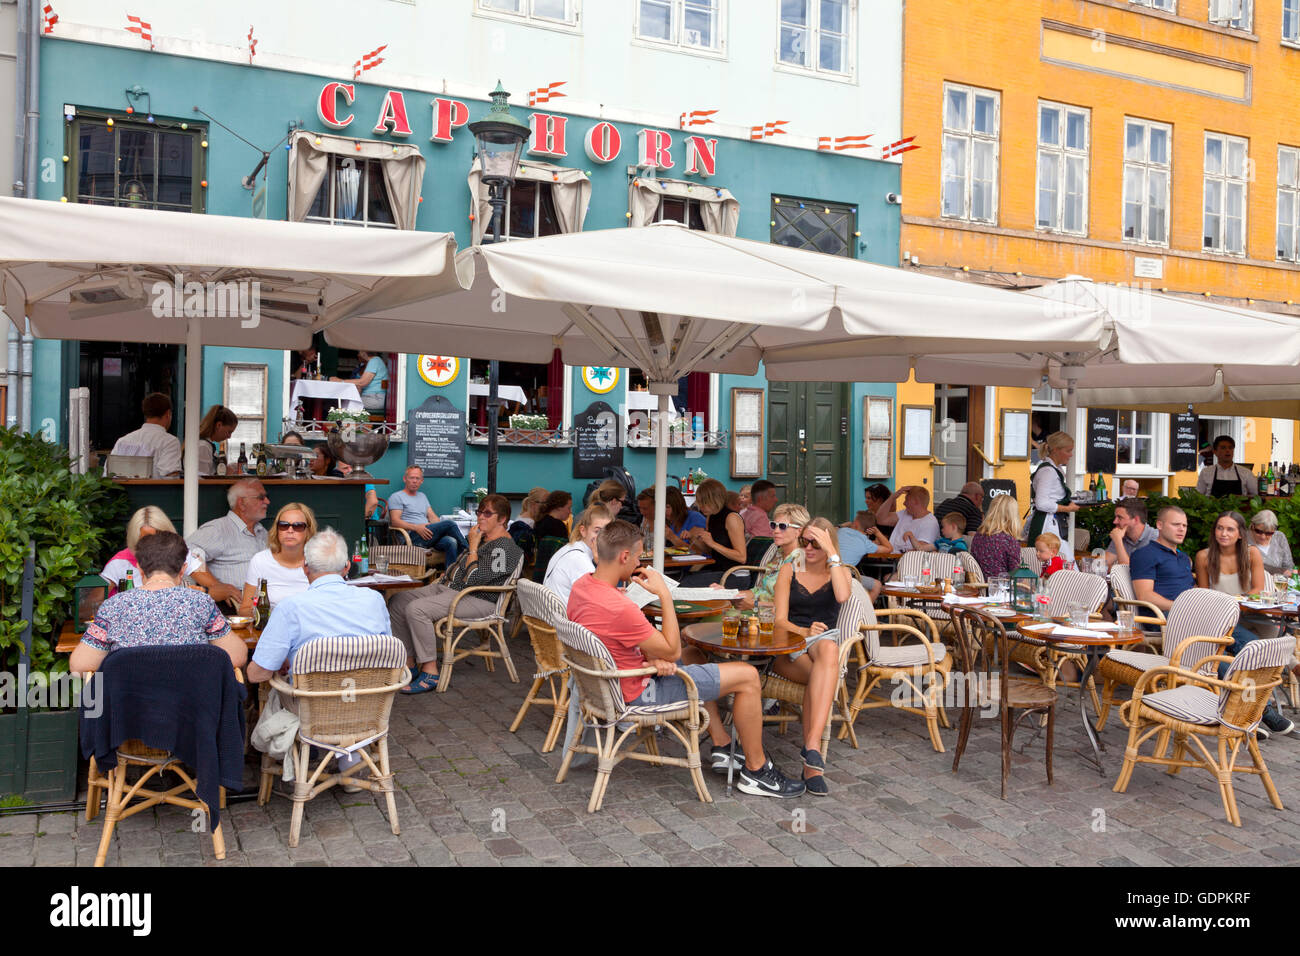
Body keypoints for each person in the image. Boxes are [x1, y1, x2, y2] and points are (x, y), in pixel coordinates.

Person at [568, 520, 804, 798]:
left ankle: (721, 744)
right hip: (637, 694)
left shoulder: (582, 587)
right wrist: (664, 595)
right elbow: (671, 650)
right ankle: (757, 771)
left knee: (694, 655)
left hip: (612, 683)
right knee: (748, 676)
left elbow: (638, 646)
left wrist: (652, 661)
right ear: (624, 557)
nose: (639, 563)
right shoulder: (619, 607)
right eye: (639, 556)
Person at [390, 494, 524, 693]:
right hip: (450, 588)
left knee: (416, 609)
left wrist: (471, 547)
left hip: (477, 598)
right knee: (398, 600)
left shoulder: (504, 548)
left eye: (487, 513)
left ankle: (430, 671)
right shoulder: (483, 539)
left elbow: (474, 580)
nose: (481, 517)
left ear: (502, 519)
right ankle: (409, 664)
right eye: (480, 512)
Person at [71, 531, 247, 673]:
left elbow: (79, 665)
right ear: (183, 569)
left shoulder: (114, 606)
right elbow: (237, 656)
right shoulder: (201, 603)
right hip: (191, 711)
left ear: (139, 567)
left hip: (129, 712)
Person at [771, 517, 852, 796]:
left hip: (821, 647)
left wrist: (833, 554)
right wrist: (804, 630)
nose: (808, 548)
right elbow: (779, 621)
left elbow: (842, 596)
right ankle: (812, 763)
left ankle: (812, 747)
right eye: (804, 542)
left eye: (814, 542)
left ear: (828, 543)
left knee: (828, 648)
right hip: (789, 646)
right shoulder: (789, 569)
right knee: (823, 675)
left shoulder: (839, 573)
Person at [246, 529, 391, 684]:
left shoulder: (289, 608)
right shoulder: (374, 600)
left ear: (305, 567)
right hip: (371, 702)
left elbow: (257, 675)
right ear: (347, 567)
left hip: (306, 706)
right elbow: (389, 657)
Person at [1193, 510, 1293, 737]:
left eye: (1230, 529)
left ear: (1240, 534)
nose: (1223, 533)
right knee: (1249, 648)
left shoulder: (1252, 553)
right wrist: (1227, 608)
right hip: (1215, 617)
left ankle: (1244, 717)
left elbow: (1258, 588)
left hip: (1244, 614)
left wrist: (1238, 602)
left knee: (1244, 656)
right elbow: (1205, 594)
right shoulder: (1204, 556)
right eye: (1220, 528)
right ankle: (1262, 713)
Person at [186, 478, 270, 606]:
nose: (267, 502)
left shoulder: (262, 531)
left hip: (264, 603)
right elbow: (188, 553)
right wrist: (215, 586)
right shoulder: (219, 529)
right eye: (261, 497)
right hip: (233, 607)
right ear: (241, 503)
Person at [101, 505, 201, 596]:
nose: (153, 544)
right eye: (146, 539)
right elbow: (93, 603)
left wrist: (201, 593)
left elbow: (215, 588)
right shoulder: (119, 562)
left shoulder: (182, 553)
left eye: (159, 538)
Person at [240, 502, 316, 613]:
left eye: (298, 526)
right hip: (270, 627)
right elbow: (245, 609)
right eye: (284, 525)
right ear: (277, 530)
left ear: (308, 531)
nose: (290, 530)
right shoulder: (261, 560)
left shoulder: (319, 562)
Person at [386, 465, 470, 563]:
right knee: (449, 524)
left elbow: (433, 518)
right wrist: (417, 528)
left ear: (421, 481)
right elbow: (395, 522)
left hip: (428, 535)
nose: (414, 481)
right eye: (411, 478)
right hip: (411, 538)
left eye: (417, 478)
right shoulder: (397, 497)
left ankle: (450, 575)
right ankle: (469, 553)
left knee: (451, 542)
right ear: (405, 479)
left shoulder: (422, 496)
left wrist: (439, 528)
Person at [1129, 506, 1194, 614]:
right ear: (1159, 525)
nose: (1182, 529)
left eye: (1184, 525)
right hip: (1164, 617)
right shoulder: (1145, 554)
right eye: (1176, 524)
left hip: (1190, 614)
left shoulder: (1184, 557)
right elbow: (1145, 596)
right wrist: (1182, 609)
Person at [681, 478, 746, 586]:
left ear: (716, 500)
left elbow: (741, 557)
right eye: (700, 503)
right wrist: (692, 537)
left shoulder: (731, 518)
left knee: (687, 583)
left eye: (704, 503)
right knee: (683, 577)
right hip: (719, 570)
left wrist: (712, 543)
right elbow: (711, 552)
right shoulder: (710, 517)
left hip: (735, 574)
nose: (701, 507)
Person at [542, 506, 612, 605]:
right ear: (583, 531)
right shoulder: (579, 559)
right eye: (597, 531)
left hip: (554, 612)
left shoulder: (571, 547)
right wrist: (601, 564)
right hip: (564, 618)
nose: (602, 537)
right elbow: (599, 601)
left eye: (607, 532)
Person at [109, 392, 181, 478]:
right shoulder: (170, 442)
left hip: (121, 491)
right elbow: (171, 478)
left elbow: (108, 474)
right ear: (168, 414)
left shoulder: (122, 441)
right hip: (155, 491)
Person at [1026, 431, 1079, 542]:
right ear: (1055, 450)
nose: (1071, 454)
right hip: (1046, 524)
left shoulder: (1055, 468)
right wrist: (1067, 508)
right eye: (1068, 451)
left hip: (1052, 523)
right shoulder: (1048, 472)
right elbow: (1041, 503)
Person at [970, 494, 1023, 579]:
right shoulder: (1009, 541)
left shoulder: (978, 535)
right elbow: (1016, 576)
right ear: (1013, 516)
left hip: (981, 587)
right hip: (1001, 588)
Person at [878, 485, 940, 553]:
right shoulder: (905, 513)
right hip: (891, 558)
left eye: (906, 499)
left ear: (916, 502)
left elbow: (919, 551)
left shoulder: (930, 522)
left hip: (904, 561)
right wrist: (892, 497)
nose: (904, 503)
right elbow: (880, 519)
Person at [1106, 496, 1158, 568]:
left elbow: (1133, 571)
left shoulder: (1156, 539)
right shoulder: (1121, 535)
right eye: (1115, 517)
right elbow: (1102, 563)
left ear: (1136, 520)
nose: (1114, 521)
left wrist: (1118, 541)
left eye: (1120, 517)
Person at [508, 486, 549, 563]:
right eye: (544, 503)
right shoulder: (529, 524)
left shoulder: (520, 518)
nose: (547, 507)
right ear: (534, 504)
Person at [1248, 510, 1294, 577]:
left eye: (1268, 533)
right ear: (1252, 526)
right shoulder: (1244, 539)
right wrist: (1280, 571)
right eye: (1259, 531)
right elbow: (1249, 565)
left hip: (1280, 583)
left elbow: (1289, 566)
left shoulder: (1279, 537)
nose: (1263, 537)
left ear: (1274, 530)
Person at [195, 405, 238, 477]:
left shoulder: (207, 445)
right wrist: (226, 473)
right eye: (229, 432)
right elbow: (202, 479)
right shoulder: (203, 447)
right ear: (219, 425)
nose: (229, 437)